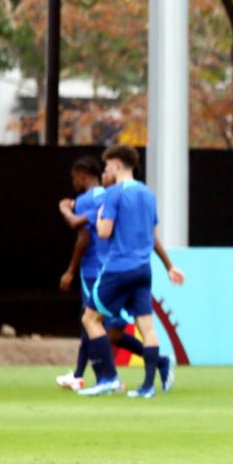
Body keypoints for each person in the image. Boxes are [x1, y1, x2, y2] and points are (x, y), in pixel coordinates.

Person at [78, 145, 185, 398]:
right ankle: (148, 387)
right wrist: (169, 266)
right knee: (147, 327)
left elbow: (103, 232)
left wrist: (102, 215)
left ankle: (109, 378)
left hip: (117, 268)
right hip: (143, 269)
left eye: (107, 166)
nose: (106, 171)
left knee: (90, 320)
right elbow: (152, 235)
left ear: (116, 164)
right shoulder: (148, 195)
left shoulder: (113, 194)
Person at [55, 157, 148, 391]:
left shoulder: (89, 198)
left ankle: (108, 378)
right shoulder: (110, 195)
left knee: (92, 322)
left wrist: (65, 209)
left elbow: (82, 234)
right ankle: (87, 374)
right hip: (114, 266)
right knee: (110, 329)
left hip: (95, 270)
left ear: (82, 175)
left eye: (74, 177)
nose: (73, 181)